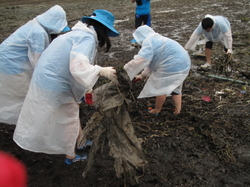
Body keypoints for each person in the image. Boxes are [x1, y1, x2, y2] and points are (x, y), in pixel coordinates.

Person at [13, 9, 120, 165]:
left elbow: (70, 65)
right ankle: (71, 156)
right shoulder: (86, 38)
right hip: (55, 85)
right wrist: (101, 70)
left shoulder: (73, 34)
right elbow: (78, 66)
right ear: (103, 29)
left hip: (45, 80)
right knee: (69, 117)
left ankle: (82, 141)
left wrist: (85, 89)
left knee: (71, 112)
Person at [0, 5, 71, 125]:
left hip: (7, 63)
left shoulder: (35, 24)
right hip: (12, 67)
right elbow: (39, 62)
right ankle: (24, 126)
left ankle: (23, 123)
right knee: (21, 96)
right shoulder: (38, 32)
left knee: (10, 96)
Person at [124, 25, 190, 115]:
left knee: (160, 88)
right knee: (176, 87)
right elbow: (153, 63)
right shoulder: (159, 39)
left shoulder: (149, 41)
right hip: (184, 63)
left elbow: (141, 60)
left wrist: (125, 70)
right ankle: (177, 111)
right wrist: (142, 75)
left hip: (171, 65)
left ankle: (157, 110)